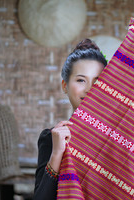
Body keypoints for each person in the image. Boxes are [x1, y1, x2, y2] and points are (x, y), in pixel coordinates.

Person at [33, 39, 108, 199]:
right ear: (65, 86)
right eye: (81, 80)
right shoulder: (51, 138)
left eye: (98, 81)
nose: (89, 89)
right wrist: (56, 154)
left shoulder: (119, 139)